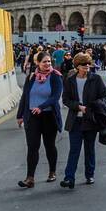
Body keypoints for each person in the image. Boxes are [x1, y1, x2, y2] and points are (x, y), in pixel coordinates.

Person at [61, 53, 106, 189]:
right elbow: (65, 100)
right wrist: (78, 106)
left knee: (89, 149)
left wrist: (95, 105)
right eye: (83, 65)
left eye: (88, 64)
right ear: (77, 66)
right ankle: (69, 178)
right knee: (74, 150)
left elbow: (104, 96)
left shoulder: (96, 79)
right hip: (75, 121)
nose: (87, 67)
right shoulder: (70, 81)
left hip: (91, 120)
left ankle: (89, 174)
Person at [17, 52, 63, 187]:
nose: (48, 64)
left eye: (49, 62)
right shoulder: (31, 77)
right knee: (32, 147)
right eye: (44, 62)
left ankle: (52, 172)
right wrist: (19, 115)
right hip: (32, 117)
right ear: (38, 63)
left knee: (49, 145)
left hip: (49, 116)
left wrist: (41, 107)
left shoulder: (56, 77)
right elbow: (25, 97)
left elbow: (55, 97)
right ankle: (30, 178)